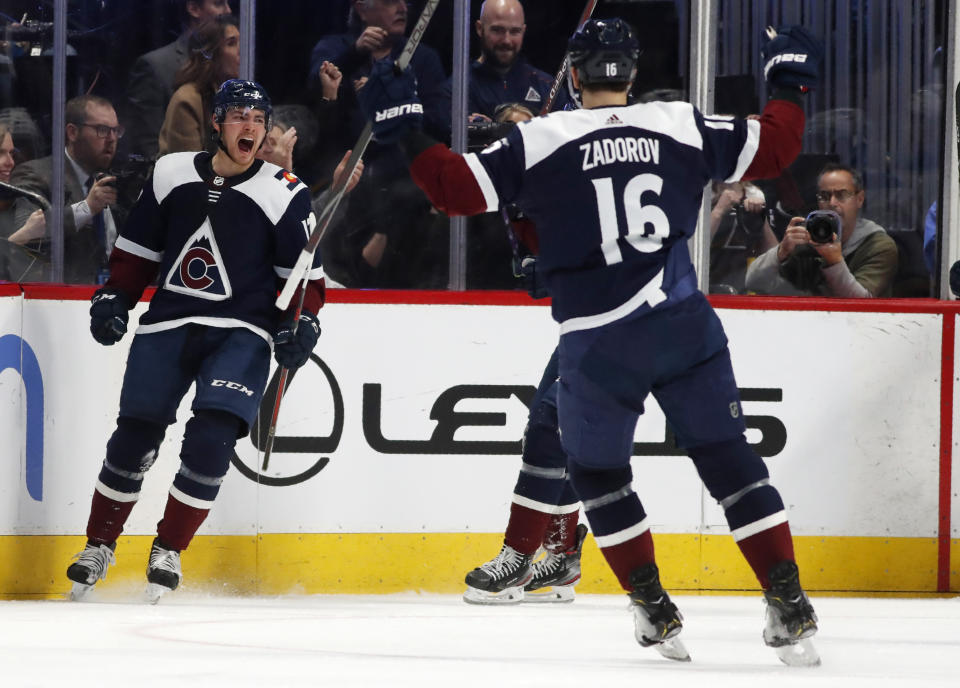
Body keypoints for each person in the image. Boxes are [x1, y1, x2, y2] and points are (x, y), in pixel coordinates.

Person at [358, 18, 822, 664]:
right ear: (630, 76)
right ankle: (790, 603)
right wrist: (790, 81)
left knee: (599, 474)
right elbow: (777, 148)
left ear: (572, 77)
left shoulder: (540, 139)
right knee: (731, 462)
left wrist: (403, 125)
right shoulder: (679, 123)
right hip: (685, 327)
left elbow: (451, 189)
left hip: (601, 346)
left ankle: (654, 609)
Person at [64, 79, 324, 603]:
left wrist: (302, 324)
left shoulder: (286, 192)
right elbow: (138, 250)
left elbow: (303, 284)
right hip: (168, 324)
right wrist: (115, 297)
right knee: (133, 440)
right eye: (239, 117)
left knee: (211, 440)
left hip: (241, 333)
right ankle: (99, 544)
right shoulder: (171, 173)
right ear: (217, 123)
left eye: (259, 119)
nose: (250, 127)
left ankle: (169, 548)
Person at [308, 0, 449, 288]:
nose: (402, 8)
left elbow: (438, 123)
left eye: (404, 2)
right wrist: (354, 54)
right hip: (348, 173)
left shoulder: (422, 58)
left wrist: (394, 101)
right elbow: (320, 116)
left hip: (404, 175)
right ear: (361, 8)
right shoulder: (335, 51)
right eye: (389, 1)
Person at [9, 95, 124, 284]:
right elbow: (25, 233)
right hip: (59, 301)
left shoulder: (114, 180)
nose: (111, 139)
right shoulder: (35, 174)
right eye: (102, 130)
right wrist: (86, 208)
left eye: (116, 131)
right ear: (72, 132)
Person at [744, 163, 899, 297]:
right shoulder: (806, 238)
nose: (832, 203)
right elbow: (754, 283)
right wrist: (781, 251)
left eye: (841, 195)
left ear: (859, 199)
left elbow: (862, 302)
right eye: (824, 196)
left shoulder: (878, 245)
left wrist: (834, 261)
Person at [125, 0, 233, 161]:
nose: (228, 11)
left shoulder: (233, 66)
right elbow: (148, 146)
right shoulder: (156, 65)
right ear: (193, 8)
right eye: (219, 4)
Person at [452, 0, 570, 123]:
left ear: (523, 30)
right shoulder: (457, 91)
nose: (506, 41)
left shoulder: (548, 87)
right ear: (479, 28)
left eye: (514, 31)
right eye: (497, 30)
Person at [158, 14, 240, 157]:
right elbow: (189, 171)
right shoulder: (187, 100)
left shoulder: (244, 96)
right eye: (231, 43)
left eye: (242, 42)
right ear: (211, 53)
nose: (242, 50)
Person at [709, 180, 778, 293]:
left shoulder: (754, 193)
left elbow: (773, 255)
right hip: (708, 279)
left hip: (743, 281)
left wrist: (761, 220)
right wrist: (718, 210)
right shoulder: (703, 192)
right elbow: (694, 250)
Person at [0, 123, 47, 281]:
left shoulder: (20, 204)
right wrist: (23, 236)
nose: (10, 162)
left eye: (12, 154)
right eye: (1, 153)